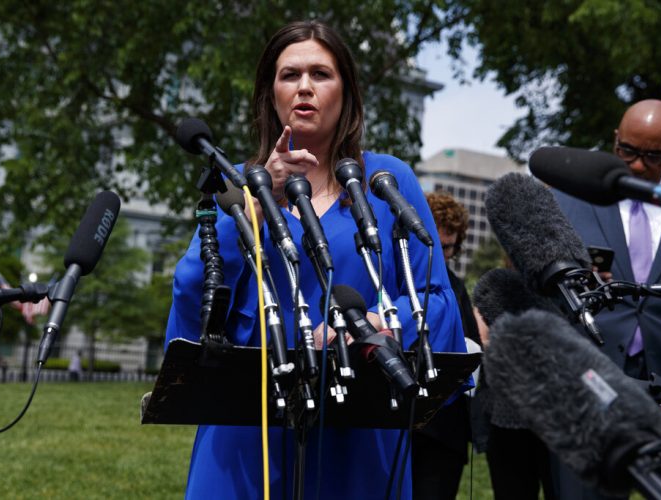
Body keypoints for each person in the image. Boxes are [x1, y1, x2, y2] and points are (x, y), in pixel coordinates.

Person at [165, 20, 467, 499]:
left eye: (321, 74)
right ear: (270, 95)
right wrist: (257, 204)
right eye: (290, 75)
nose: (304, 87)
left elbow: (436, 299)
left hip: (361, 432)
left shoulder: (386, 181)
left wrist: (377, 326)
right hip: (248, 438)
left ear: (346, 93)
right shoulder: (238, 185)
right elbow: (191, 298)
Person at [553, 99, 661, 498]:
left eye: (653, 156)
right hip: (589, 384)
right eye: (627, 150)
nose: (637, 166)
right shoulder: (568, 200)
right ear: (615, 140)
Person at [411, 192, 481, 499]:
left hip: (443, 430)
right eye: (435, 244)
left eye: (449, 247)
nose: (442, 254)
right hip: (400, 423)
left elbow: (471, 348)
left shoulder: (456, 288)